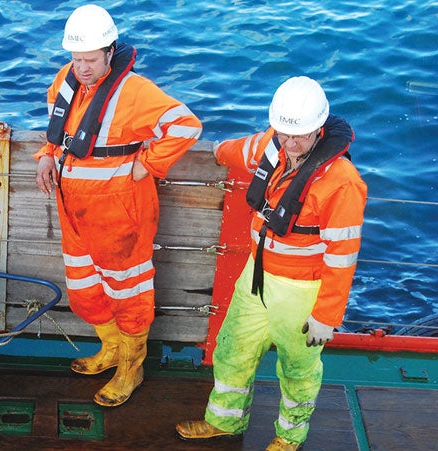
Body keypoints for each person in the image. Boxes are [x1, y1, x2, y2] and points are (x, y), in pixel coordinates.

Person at [175, 76, 367, 450]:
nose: (290, 144)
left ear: (320, 129)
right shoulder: (275, 143)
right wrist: (215, 151)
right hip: (256, 276)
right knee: (232, 350)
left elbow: (342, 259)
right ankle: (224, 422)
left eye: (301, 136)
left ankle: (289, 438)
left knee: (297, 370)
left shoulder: (342, 184)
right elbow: (242, 150)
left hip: (301, 291)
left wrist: (326, 317)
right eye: (283, 134)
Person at [33, 4, 202, 407]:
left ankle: (131, 367)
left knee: (129, 294)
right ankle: (109, 349)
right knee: (85, 291)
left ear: (110, 52)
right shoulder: (66, 78)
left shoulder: (136, 91)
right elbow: (59, 128)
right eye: (76, 59)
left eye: (90, 60)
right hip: (73, 210)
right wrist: (45, 154)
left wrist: (148, 165)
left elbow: (186, 126)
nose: (82, 69)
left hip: (120, 211)